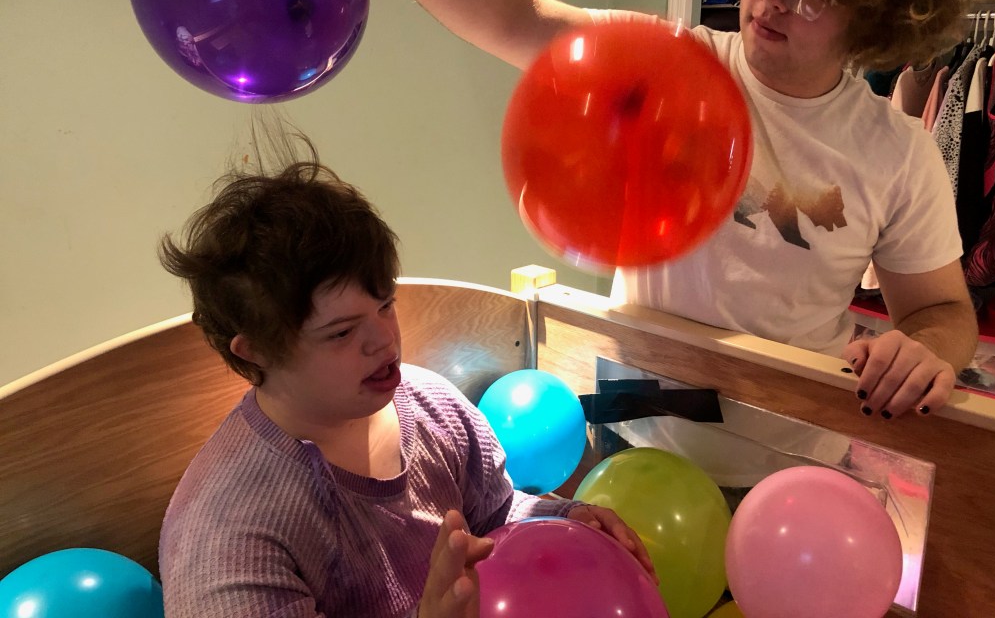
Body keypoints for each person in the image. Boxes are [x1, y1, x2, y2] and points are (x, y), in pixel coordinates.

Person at [270, 0, 982, 419]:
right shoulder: (666, 64)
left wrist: (927, 350)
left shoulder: (899, 153)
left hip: (790, 458)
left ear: (877, 15)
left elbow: (942, 311)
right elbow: (517, 15)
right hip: (629, 430)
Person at [157, 136, 654, 618]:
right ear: (259, 351)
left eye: (386, 305)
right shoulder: (228, 537)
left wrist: (565, 520)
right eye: (341, 332)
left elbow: (495, 517)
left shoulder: (429, 402)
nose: (385, 341)